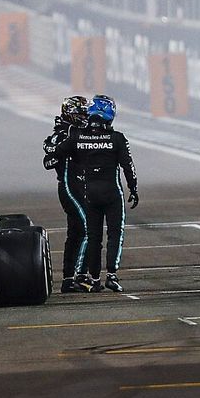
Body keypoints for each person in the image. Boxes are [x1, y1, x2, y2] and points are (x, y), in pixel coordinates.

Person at [58, 94, 138, 292]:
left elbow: (57, 152)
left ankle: (94, 279)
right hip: (112, 192)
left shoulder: (78, 136)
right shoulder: (117, 138)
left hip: (89, 193)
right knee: (114, 234)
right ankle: (111, 275)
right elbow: (129, 166)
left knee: (93, 237)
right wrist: (133, 188)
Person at [43, 96, 90, 293]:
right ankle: (78, 276)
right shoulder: (61, 133)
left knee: (76, 233)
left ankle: (70, 278)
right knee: (89, 229)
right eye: (81, 113)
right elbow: (48, 159)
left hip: (83, 187)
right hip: (70, 187)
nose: (85, 117)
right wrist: (64, 151)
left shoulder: (85, 133)